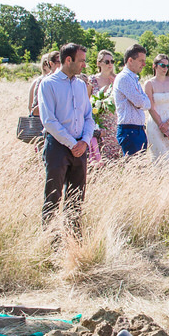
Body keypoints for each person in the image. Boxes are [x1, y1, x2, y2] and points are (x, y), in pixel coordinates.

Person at [38, 43, 95, 235]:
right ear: (68, 60)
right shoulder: (48, 84)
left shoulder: (80, 85)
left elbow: (88, 116)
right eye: (81, 61)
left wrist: (85, 141)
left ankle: (73, 239)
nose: (84, 65)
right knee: (53, 196)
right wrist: (72, 144)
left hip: (80, 146)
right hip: (58, 147)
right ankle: (50, 241)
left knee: (76, 198)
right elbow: (49, 121)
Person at [112, 44, 151, 157]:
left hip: (137, 130)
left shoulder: (133, 79)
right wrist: (144, 102)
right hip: (129, 130)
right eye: (141, 61)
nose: (144, 64)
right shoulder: (124, 78)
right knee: (133, 167)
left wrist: (144, 102)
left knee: (140, 168)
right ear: (130, 60)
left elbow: (146, 103)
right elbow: (141, 102)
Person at [144, 54, 169, 162]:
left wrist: (167, 124)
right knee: (159, 158)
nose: (165, 68)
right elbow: (151, 108)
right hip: (156, 123)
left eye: (168, 66)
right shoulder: (149, 84)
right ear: (154, 66)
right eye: (162, 65)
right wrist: (161, 125)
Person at [90, 50, 121, 161]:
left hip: (115, 122)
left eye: (112, 61)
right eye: (107, 61)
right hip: (99, 123)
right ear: (99, 63)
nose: (110, 64)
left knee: (117, 156)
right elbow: (86, 103)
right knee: (101, 155)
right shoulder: (92, 81)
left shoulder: (117, 80)